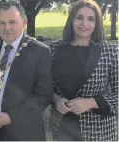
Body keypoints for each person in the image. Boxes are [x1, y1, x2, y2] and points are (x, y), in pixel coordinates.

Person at [0, 1, 52, 141]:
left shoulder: (40, 52)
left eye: (12, 22)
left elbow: (43, 96)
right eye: (2, 23)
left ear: (24, 22)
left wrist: (10, 117)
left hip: (24, 132)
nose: (7, 28)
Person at [50, 0, 118, 141]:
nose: (84, 24)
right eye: (79, 17)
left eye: (91, 19)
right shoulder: (54, 49)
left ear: (97, 23)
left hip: (99, 132)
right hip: (62, 129)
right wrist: (56, 99)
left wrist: (92, 102)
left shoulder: (110, 52)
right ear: (72, 19)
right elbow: (44, 86)